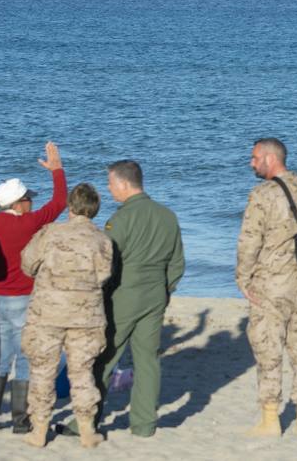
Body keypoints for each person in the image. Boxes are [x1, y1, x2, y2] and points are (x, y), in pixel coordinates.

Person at [73, 159, 185, 439]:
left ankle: (86, 422)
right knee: (148, 360)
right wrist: (165, 290)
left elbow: (106, 261)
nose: (109, 189)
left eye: (111, 183)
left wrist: (100, 292)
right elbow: (177, 263)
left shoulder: (121, 219)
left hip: (124, 294)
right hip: (155, 294)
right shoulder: (167, 215)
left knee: (105, 357)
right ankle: (144, 424)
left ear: (123, 184)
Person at [236, 137, 297, 439]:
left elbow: (249, 241)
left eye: (254, 158)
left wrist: (243, 278)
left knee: (268, 350)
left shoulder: (262, 194)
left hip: (271, 284)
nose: (251, 163)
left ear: (269, 158)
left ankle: (270, 419)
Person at [0, 141, 68, 433]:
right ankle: (20, 420)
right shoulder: (28, 223)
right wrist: (57, 170)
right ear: (18, 203)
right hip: (25, 296)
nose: (31, 203)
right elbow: (59, 203)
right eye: (28, 199)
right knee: (25, 356)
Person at [20, 182, 114, 449]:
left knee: (42, 370)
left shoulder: (50, 233)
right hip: (86, 315)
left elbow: (27, 264)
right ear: (94, 209)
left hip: (47, 312)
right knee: (83, 372)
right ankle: (86, 430)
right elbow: (104, 275)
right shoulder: (102, 240)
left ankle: (39, 430)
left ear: (71, 206)